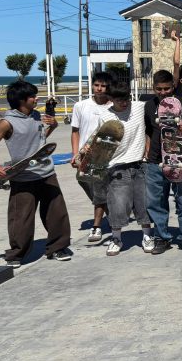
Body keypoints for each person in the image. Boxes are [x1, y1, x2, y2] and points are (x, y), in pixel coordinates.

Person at [0, 81, 71, 266]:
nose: (36, 98)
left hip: (46, 173)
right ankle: (16, 254)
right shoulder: (7, 122)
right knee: (21, 219)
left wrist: (53, 126)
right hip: (23, 176)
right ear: (22, 100)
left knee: (57, 214)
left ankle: (58, 247)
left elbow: (40, 141)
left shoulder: (36, 115)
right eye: (33, 96)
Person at [144, 70, 182, 254]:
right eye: (159, 89)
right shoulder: (148, 106)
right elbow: (147, 130)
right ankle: (161, 238)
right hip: (155, 160)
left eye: (166, 89)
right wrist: (146, 152)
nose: (163, 92)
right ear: (154, 88)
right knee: (156, 202)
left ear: (173, 86)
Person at [100, 85, 154, 256]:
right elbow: (101, 143)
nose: (124, 103)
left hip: (140, 164)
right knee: (117, 204)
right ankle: (116, 238)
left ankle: (147, 236)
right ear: (110, 99)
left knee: (144, 202)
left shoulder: (139, 107)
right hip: (117, 166)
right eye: (119, 100)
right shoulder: (104, 115)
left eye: (126, 99)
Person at [70, 71, 113, 243]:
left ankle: (96, 226)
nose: (100, 89)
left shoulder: (113, 107)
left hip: (107, 156)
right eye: (97, 85)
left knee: (100, 190)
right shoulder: (80, 106)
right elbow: (75, 132)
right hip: (85, 156)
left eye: (103, 86)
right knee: (89, 186)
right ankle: (112, 215)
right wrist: (75, 154)